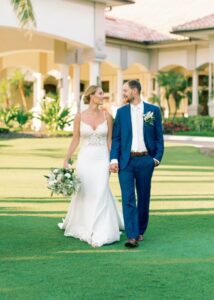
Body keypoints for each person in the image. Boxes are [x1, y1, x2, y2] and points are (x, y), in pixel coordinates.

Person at [58, 85, 123, 247]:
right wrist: (66, 158)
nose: (103, 96)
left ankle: (101, 231)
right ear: (91, 96)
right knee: (86, 192)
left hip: (102, 159)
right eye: (100, 93)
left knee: (101, 190)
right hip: (85, 160)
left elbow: (110, 141)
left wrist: (114, 160)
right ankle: (84, 225)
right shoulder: (79, 116)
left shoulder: (107, 116)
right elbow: (75, 139)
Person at [110, 80, 164, 248]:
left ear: (135, 91)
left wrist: (156, 159)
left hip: (145, 161)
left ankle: (140, 230)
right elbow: (116, 138)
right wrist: (114, 159)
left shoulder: (153, 111)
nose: (123, 93)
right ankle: (131, 235)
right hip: (126, 161)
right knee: (128, 197)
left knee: (143, 197)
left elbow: (159, 138)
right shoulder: (121, 112)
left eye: (125, 90)